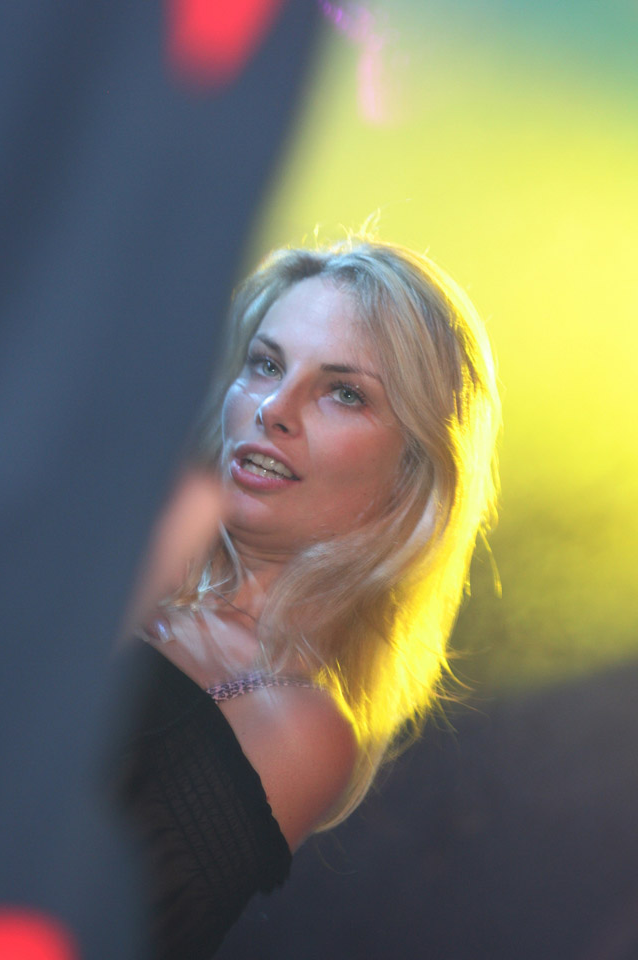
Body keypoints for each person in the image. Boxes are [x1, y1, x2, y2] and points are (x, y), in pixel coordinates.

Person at [117, 237, 501, 958]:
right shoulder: (117, 550)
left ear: (409, 474)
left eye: (343, 393)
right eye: (266, 364)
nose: (274, 408)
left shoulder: (297, 725)